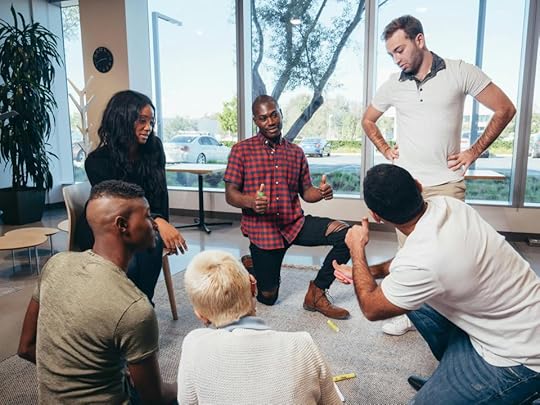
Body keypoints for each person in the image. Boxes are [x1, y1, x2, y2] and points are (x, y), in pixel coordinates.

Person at [332, 164, 540, 404]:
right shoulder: (449, 206)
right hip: (519, 318)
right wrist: (366, 272)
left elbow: (372, 307)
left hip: (519, 356)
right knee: (414, 299)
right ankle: (451, 375)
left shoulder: (422, 260)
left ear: (377, 215)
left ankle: (506, 391)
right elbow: (408, 264)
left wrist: (357, 250)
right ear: (419, 187)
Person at [361, 15, 516, 335]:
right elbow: (368, 120)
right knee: (409, 257)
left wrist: (474, 151)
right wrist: (386, 150)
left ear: (420, 40)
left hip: (447, 183)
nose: (397, 58)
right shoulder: (393, 84)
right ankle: (411, 314)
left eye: (400, 50)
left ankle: (454, 316)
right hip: (408, 187)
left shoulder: (459, 71)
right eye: (391, 54)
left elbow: (505, 108)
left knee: (448, 257)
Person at [18, 180, 177, 404]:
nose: (154, 224)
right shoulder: (134, 309)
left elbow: (25, 348)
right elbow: (155, 398)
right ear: (122, 225)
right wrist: (188, 386)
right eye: (148, 216)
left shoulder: (56, 264)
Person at [224, 94, 350, 320]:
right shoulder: (241, 151)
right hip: (264, 233)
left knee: (346, 235)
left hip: (295, 224)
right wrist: (251, 201)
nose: (270, 122)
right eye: (263, 118)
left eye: (274, 115)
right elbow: (231, 195)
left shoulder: (296, 152)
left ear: (280, 114)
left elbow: (306, 192)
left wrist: (320, 193)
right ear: (256, 121)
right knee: (268, 297)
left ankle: (317, 293)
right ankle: (253, 263)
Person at [177, 250, 342, 404]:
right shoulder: (302, 345)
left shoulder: (194, 345)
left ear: (200, 315)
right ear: (253, 286)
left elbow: (186, 401)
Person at [77, 89, 187, 302]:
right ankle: (127, 308)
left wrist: (160, 219)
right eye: (142, 120)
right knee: (131, 259)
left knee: (149, 241)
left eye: (151, 122)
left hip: (143, 221)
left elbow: (160, 194)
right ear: (122, 120)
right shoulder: (97, 161)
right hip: (105, 227)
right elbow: (118, 208)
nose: (148, 127)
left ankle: (142, 306)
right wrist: (156, 220)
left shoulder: (154, 148)